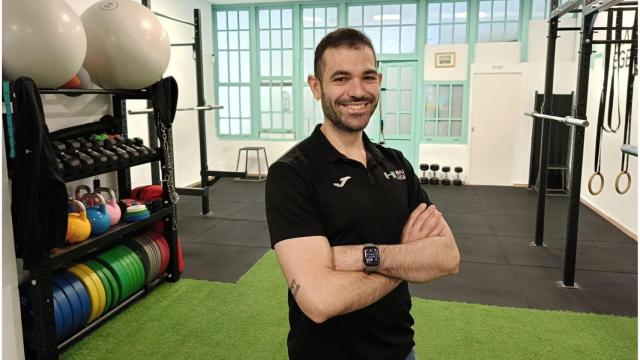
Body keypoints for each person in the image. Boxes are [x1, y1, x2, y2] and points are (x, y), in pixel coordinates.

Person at [265, 28, 460, 360]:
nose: (357, 91)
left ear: (378, 80)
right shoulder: (292, 174)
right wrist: (407, 258)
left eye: (367, 77)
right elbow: (319, 301)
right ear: (316, 87)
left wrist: (362, 257)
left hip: (400, 351)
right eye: (341, 79)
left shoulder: (397, 164)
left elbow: (448, 257)